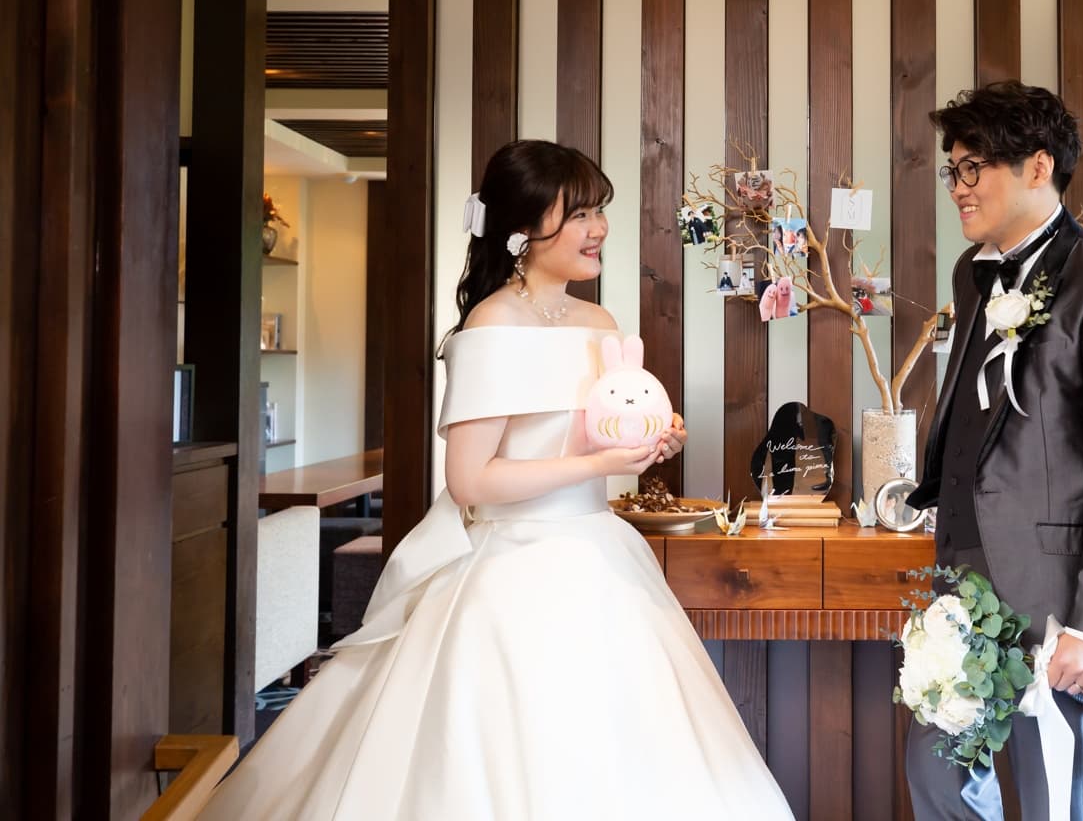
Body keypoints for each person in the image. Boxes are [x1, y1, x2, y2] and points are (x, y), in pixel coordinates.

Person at [200, 140, 793, 820]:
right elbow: (471, 479)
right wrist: (600, 466)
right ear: (522, 228)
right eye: (578, 214)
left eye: (598, 211)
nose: (598, 228)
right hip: (511, 567)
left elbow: (598, 431)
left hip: (600, 555)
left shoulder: (599, 324)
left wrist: (652, 438)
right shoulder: (491, 325)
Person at [905, 82, 1083, 819]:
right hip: (964, 583)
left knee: (1055, 792)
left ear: (1038, 166)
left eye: (974, 167)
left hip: (1061, 595)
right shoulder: (972, 275)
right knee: (936, 772)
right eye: (952, 169)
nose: (957, 187)